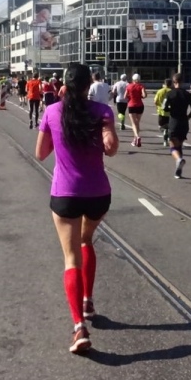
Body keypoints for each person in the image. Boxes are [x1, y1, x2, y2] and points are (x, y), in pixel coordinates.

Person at [35, 63, 119, 354]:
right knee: (86, 240)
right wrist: (105, 132)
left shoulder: (52, 112)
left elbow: (40, 153)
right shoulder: (102, 112)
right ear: (88, 86)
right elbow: (111, 149)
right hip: (98, 193)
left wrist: (58, 134)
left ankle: (79, 327)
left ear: (64, 86)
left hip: (66, 194)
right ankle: (88, 301)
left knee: (71, 258)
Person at [163, 73, 191, 178]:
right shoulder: (188, 95)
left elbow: (164, 107)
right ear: (182, 82)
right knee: (179, 146)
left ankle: (178, 160)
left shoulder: (170, 94)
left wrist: (171, 109)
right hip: (184, 123)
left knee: (172, 146)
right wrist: (188, 117)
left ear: (174, 82)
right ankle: (179, 171)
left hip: (174, 122)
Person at [125, 74, 147, 147]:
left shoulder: (129, 86)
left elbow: (125, 96)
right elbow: (144, 95)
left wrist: (130, 96)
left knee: (133, 123)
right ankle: (135, 139)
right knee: (137, 123)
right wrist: (140, 96)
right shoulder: (141, 86)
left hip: (131, 105)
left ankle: (137, 136)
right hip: (140, 105)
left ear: (133, 79)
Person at [154, 79, 171, 147]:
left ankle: (165, 136)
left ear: (164, 84)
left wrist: (158, 106)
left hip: (161, 112)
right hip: (170, 112)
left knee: (161, 126)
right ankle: (167, 137)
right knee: (169, 127)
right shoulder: (172, 91)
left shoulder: (160, 91)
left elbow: (155, 101)